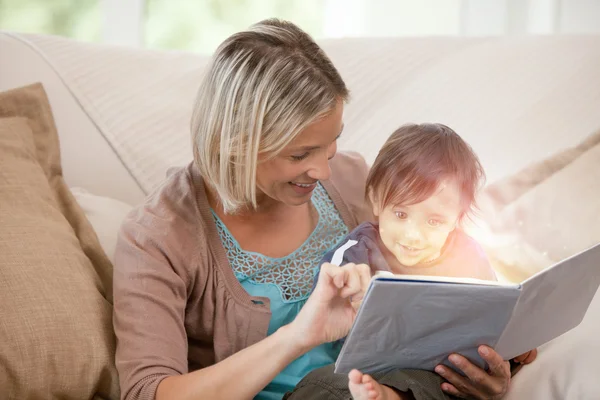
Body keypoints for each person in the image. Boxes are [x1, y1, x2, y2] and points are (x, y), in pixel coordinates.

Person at [112, 19, 515, 400]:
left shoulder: (355, 180)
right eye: (301, 153)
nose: (323, 169)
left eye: (332, 141)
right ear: (233, 143)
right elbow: (148, 392)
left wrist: (481, 367)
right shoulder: (158, 236)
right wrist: (297, 335)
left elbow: (448, 266)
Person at [312, 123, 537, 400]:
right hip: (369, 370)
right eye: (401, 215)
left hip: (437, 372)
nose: (413, 235)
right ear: (376, 200)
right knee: (331, 384)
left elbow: (490, 316)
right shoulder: (357, 253)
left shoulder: (468, 255)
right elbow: (323, 309)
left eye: (434, 221)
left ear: (457, 218)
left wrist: (514, 344)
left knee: (462, 371)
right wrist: (352, 301)